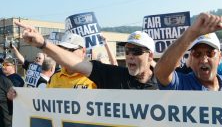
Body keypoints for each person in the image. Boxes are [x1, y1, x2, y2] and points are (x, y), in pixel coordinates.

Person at [13, 22, 158, 89]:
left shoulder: (165, 82)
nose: (130, 55)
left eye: (137, 51)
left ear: (150, 56)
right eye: (127, 51)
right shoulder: (113, 75)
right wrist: (42, 43)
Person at [155, 13, 222, 91]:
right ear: (191, 59)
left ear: (219, 57)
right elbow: (161, 73)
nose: (204, 60)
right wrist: (191, 33)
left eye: (210, 53)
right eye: (197, 54)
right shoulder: (182, 83)